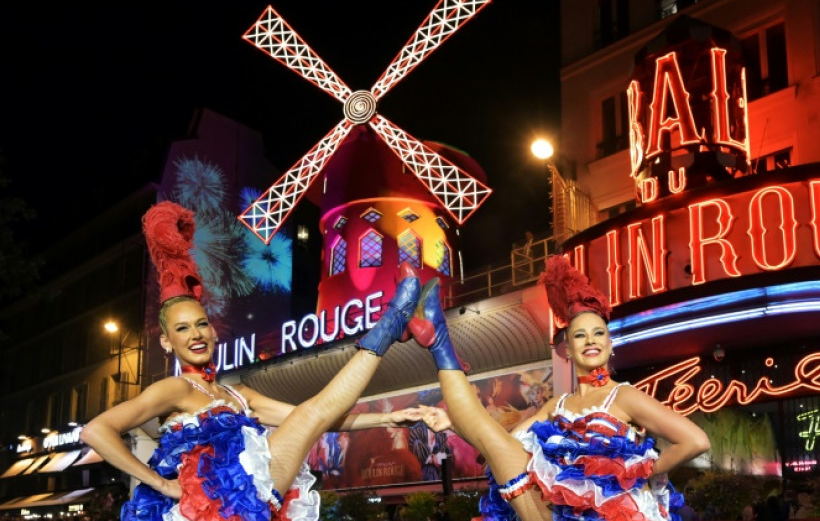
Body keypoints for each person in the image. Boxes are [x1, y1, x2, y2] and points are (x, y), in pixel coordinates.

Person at [80, 201, 429, 521]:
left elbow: (316, 420)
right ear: (166, 342)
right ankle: (393, 322)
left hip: (243, 504)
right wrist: (161, 484)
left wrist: (389, 417)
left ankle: (393, 323)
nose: (196, 335)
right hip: (206, 507)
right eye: (182, 329)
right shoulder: (174, 388)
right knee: (311, 411)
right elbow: (96, 431)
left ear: (214, 332)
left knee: (309, 414)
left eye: (202, 324)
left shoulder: (239, 394)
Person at [412, 256, 710, 521]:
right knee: (506, 453)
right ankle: (439, 343)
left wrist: (635, 474)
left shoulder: (624, 396)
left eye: (598, 333)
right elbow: (503, 445)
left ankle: (439, 342)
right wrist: (453, 423)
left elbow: (695, 441)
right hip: (559, 512)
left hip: (614, 513)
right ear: (566, 349)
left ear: (610, 344)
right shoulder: (557, 405)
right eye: (580, 335)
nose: (590, 340)